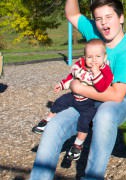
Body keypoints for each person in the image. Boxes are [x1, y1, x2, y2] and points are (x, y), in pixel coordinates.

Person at [21, 0, 126, 180]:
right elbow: (72, 15)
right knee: (54, 126)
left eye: (109, 17)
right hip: (90, 100)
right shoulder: (96, 35)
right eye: (99, 19)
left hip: (120, 101)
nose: (104, 24)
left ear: (121, 18)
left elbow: (116, 95)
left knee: (105, 114)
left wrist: (78, 87)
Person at [32, 39, 114, 167]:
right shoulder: (80, 65)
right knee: (60, 101)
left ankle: (77, 145)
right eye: (90, 57)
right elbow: (71, 77)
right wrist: (62, 84)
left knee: (84, 122)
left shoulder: (105, 71)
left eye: (98, 56)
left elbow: (102, 88)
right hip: (74, 96)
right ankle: (47, 120)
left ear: (105, 57)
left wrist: (96, 73)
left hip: (88, 102)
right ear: (84, 57)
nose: (94, 60)